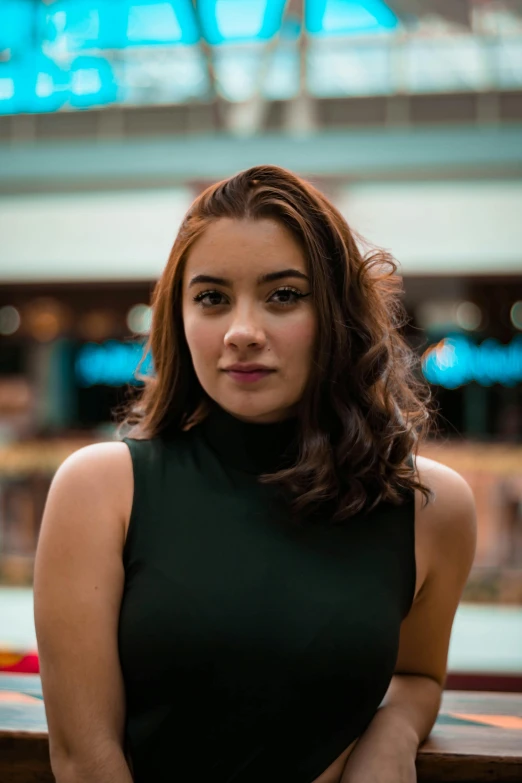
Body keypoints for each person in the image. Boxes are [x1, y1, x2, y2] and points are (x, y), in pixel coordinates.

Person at [34, 165, 477, 783]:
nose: (243, 332)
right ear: (178, 318)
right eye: (212, 297)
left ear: (338, 314)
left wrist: (394, 732)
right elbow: (84, 760)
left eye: (284, 295)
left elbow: (419, 675)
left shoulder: (429, 507)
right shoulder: (100, 490)